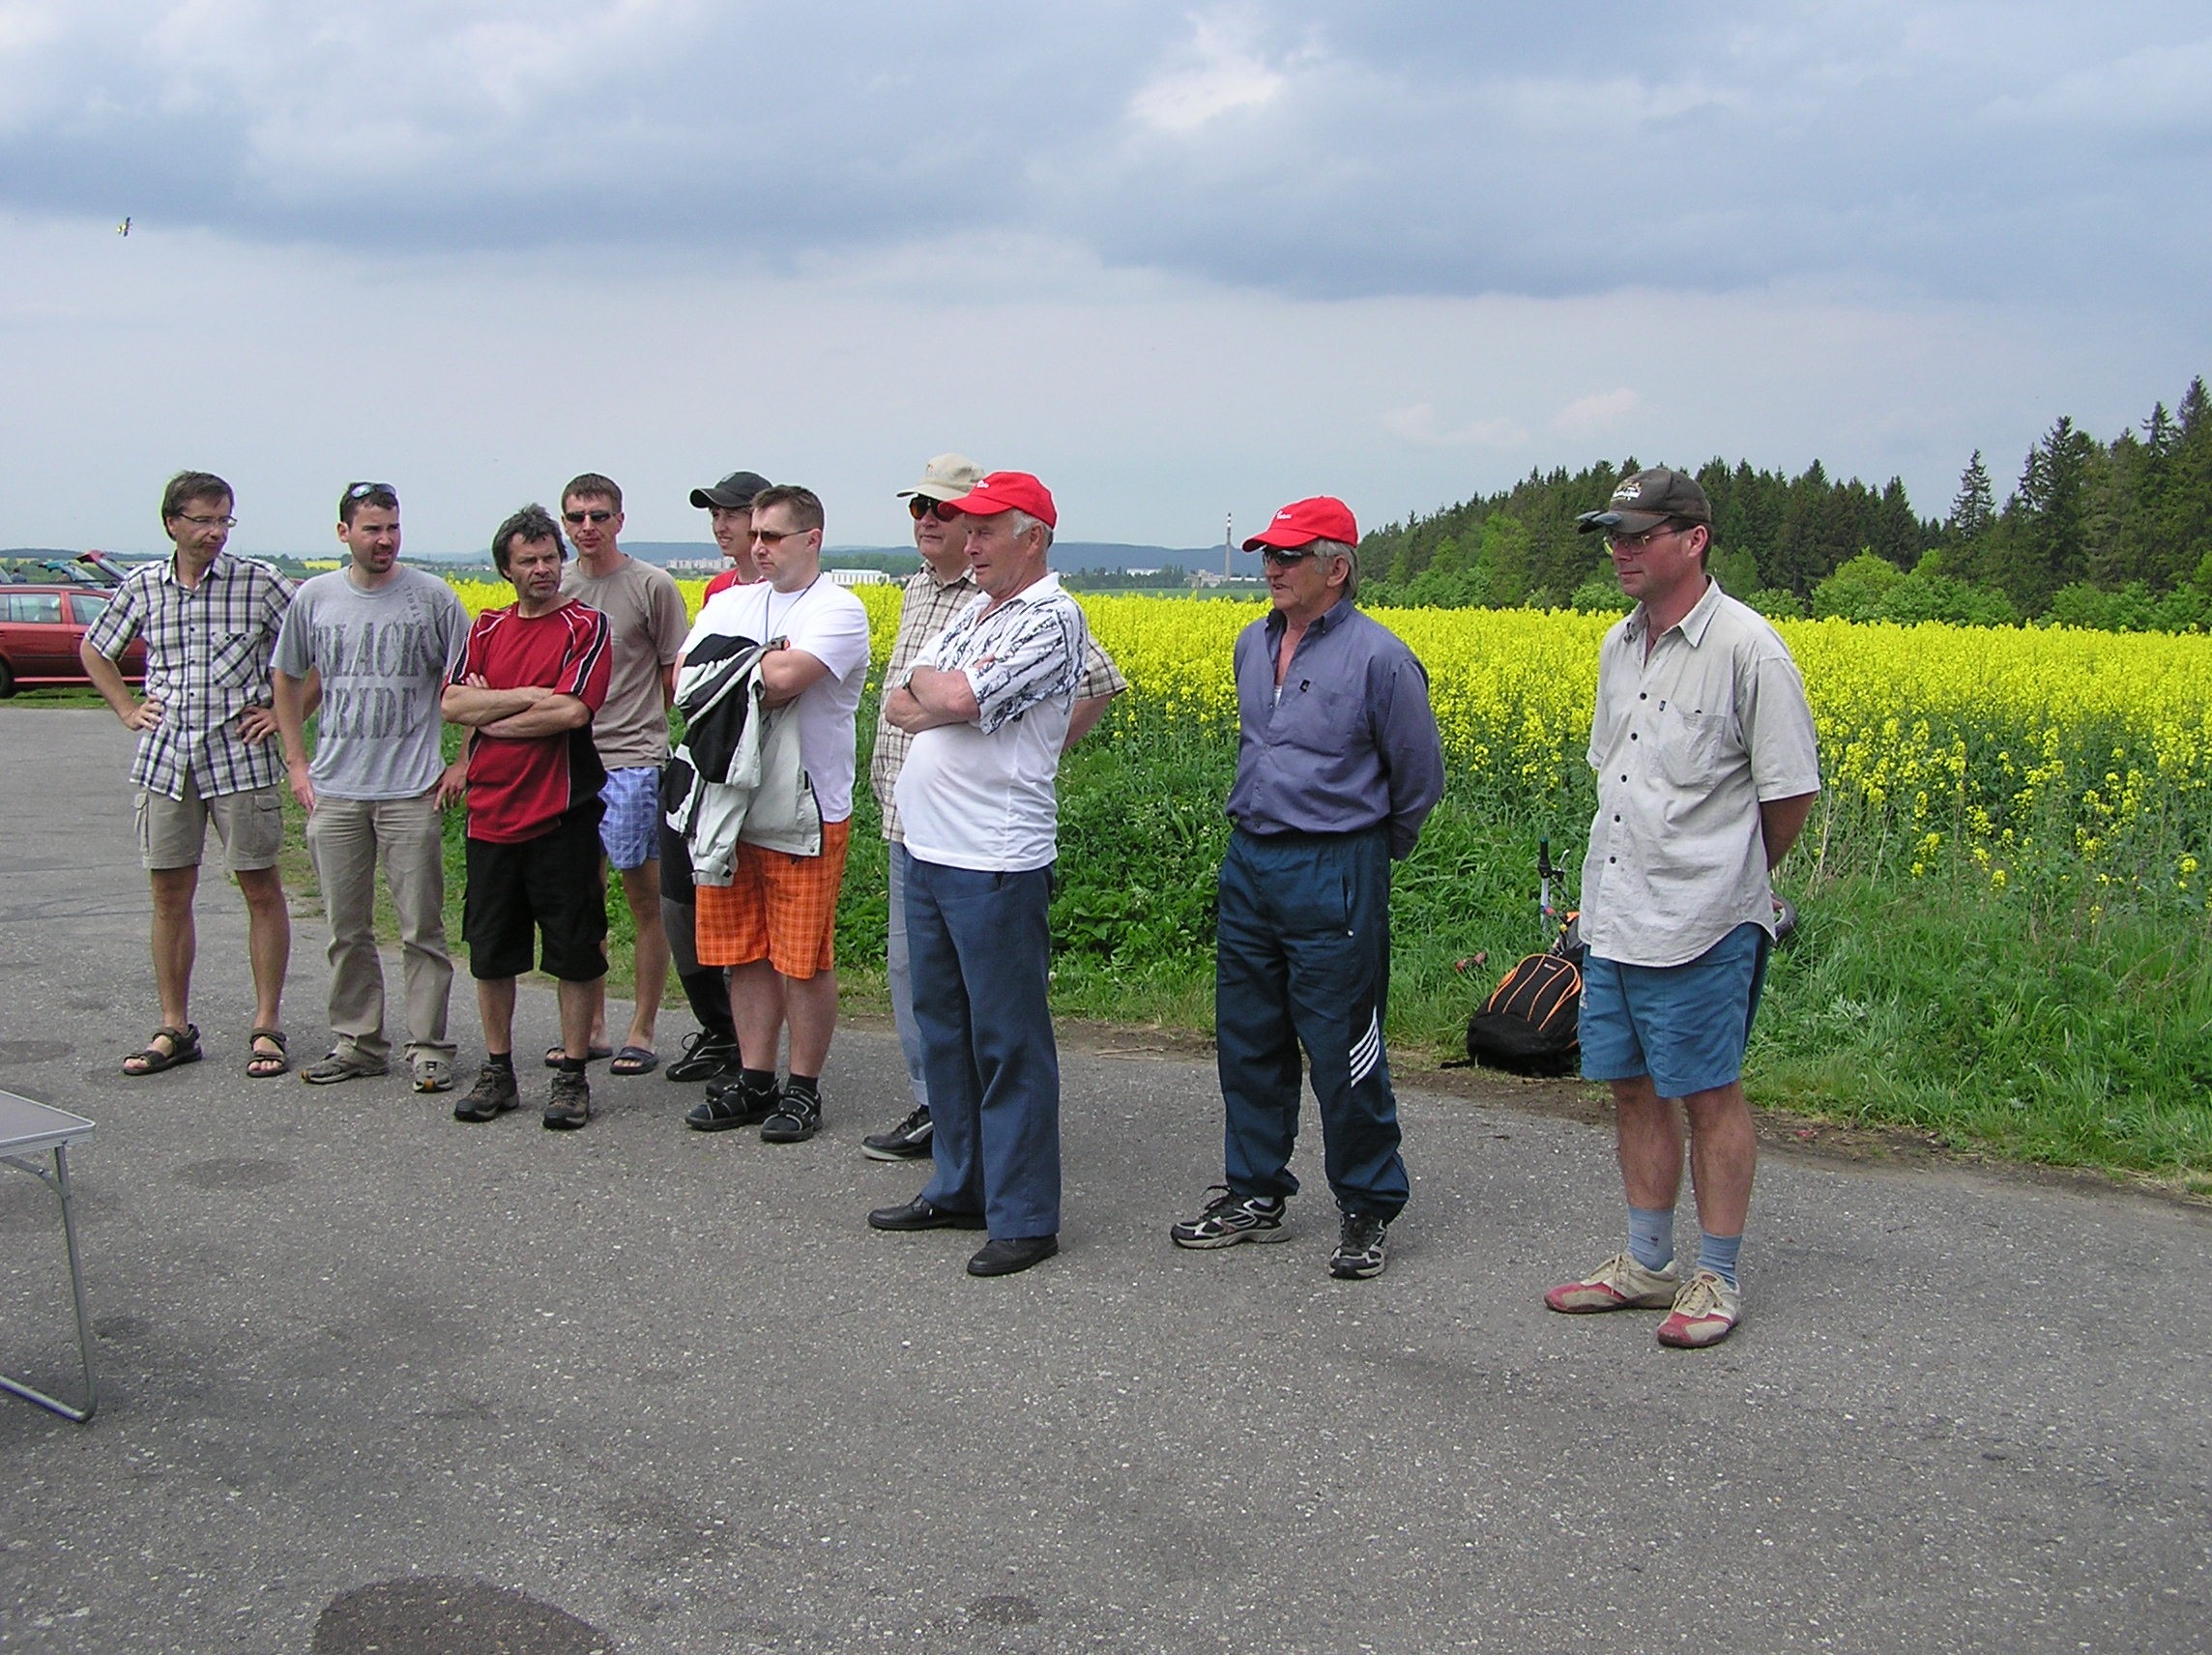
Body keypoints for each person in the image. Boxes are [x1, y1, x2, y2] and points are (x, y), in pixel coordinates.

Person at [1545, 468, 1819, 1349]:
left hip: (1704, 919)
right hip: (1616, 913)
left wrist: (1731, 877)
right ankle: (1647, 1263)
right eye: (1612, 536)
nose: (1619, 551)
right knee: (1631, 1089)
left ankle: (1719, 1277)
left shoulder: (1749, 649)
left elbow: (1789, 794)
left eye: (1637, 535)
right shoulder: (1618, 646)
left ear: (1693, 539)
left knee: (1709, 1094)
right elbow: (1618, 778)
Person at [1169, 496, 1442, 1281]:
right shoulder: (1251, 644)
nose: (1272, 567)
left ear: (1337, 569)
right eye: (1268, 553)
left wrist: (1365, 852)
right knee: (1247, 1037)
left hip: (1335, 868)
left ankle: (1368, 1203)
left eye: (1290, 555)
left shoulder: (1382, 659)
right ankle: (1254, 1192)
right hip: (1251, 861)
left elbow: (1418, 777)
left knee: (1344, 1048)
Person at [859, 452, 1128, 1162]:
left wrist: (1006, 737)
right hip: (923, 840)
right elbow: (899, 702)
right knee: (941, 1022)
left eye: (978, 528)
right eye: (930, 511)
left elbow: (953, 695)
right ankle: (957, 1180)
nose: (960, 537)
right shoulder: (965, 605)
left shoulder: (1049, 617)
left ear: (1030, 539)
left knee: (1006, 1038)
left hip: (991, 852)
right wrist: (944, 698)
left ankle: (1018, 1208)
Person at [80, 471, 297, 1079]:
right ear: (172, 523)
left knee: (260, 887)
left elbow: (315, 654)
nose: (215, 533)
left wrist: (285, 715)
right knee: (169, 894)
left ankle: (267, 1025)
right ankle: (174, 1027)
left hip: (241, 758)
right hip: (166, 760)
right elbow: (95, 649)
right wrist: (127, 708)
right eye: (203, 520)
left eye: (224, 520)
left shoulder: (260, 583)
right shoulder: (143, 585)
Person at [680, 485, 869, 1143]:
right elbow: (684, 680)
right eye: (754, 534)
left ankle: (803, 1088)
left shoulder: (838, 609)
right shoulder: (730, 601)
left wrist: (734, 665)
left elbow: (787, 681)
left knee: (803, 957)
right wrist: (762, 661)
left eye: (773, 536)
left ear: (812, 539)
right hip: (730, 803)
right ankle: (755, 1077)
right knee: (744, 952)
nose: (757, 547)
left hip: (806, 806)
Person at [272, 482, 470, 1092]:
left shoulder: (433, 599)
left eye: (392, 528)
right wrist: (296, 762)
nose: (384, 540)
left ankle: (429, 1045)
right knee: (345, 928)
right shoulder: (315, 598)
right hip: (336, 788)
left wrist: (464, 760)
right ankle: (358, 1041)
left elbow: (471, 680)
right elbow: (287, 676)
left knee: (421, 928)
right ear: (344, 533)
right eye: (371, 529)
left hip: (411, 789)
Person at [441, 505, 614, 1130]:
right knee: (491, 953)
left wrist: (489, 711)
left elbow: (573, 712)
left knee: (574, 952)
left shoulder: (585, 625)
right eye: (528, 560)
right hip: (490, 815)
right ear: (506, 569)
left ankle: (572, 1076)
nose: (542, 569)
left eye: (549, 558)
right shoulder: (486, 627)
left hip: (561, 815)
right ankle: (498, 1070)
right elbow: (451, 702)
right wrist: (524, 699)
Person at [556, 473, 690, 1076]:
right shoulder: (556, 584)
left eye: (599, 516)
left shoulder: (651, 586)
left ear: (619, 520)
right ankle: (590, 1026)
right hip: (568, 761)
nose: (588, 527)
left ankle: (642, 1027)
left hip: (632, 759)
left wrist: (650, 735)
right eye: (576, 517)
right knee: (579, 899)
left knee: (643, 898)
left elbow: (671, 675)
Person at [659, 468, 775, 1085]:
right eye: (715, 515)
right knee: (680, 902)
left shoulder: (794, 593)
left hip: (760, 776)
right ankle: (718, 1026)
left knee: (749, 916)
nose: (720, 525)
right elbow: (685, 683)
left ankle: (750, 1047)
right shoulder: (718, 591)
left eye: (731, 513)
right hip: (701, 767)